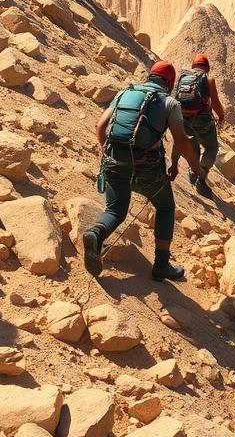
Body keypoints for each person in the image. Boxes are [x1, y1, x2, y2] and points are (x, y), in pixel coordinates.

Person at [82, 61, 200, 282]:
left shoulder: (124, 92)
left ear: (150, 76)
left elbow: (100, 126)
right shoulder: (169, 102)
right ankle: (161, 265)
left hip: (114, 163)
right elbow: (182, 141)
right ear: (169, 83)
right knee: (165, 207)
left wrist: (109, 154)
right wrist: (195, 167)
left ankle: (95, 233)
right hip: (147, 170)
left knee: (116, 211)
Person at [170, 54, 225, 198]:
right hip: (203, 120)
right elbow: (215, 104)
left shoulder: (182, 78)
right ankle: (201, 178)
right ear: (207, 68)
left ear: (193, 66)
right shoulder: (208, 79)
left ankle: (193, 170)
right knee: (211, 147)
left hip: (183, 118)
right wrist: (221, 116)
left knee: (193, 143)